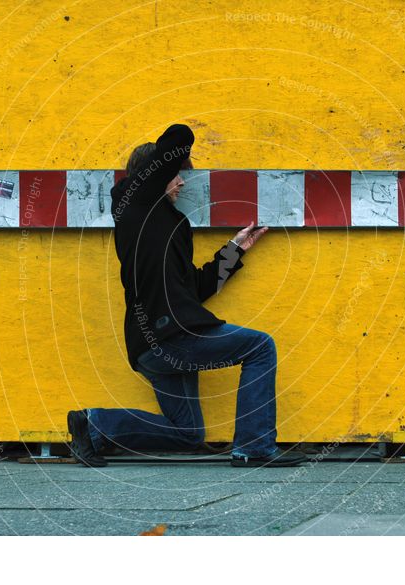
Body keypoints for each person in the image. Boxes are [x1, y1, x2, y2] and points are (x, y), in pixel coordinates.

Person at [66, 123, 306, 468]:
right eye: (175, 174)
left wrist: (234, 251)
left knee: (188, 433)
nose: (181, 182)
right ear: (152, 175)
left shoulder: (169, 224)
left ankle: (95, 424)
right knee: (259, 346)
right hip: (170, 336)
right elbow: (178, 137)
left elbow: (192, 289)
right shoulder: (136, 202)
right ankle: (254, 448)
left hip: (157, 343)